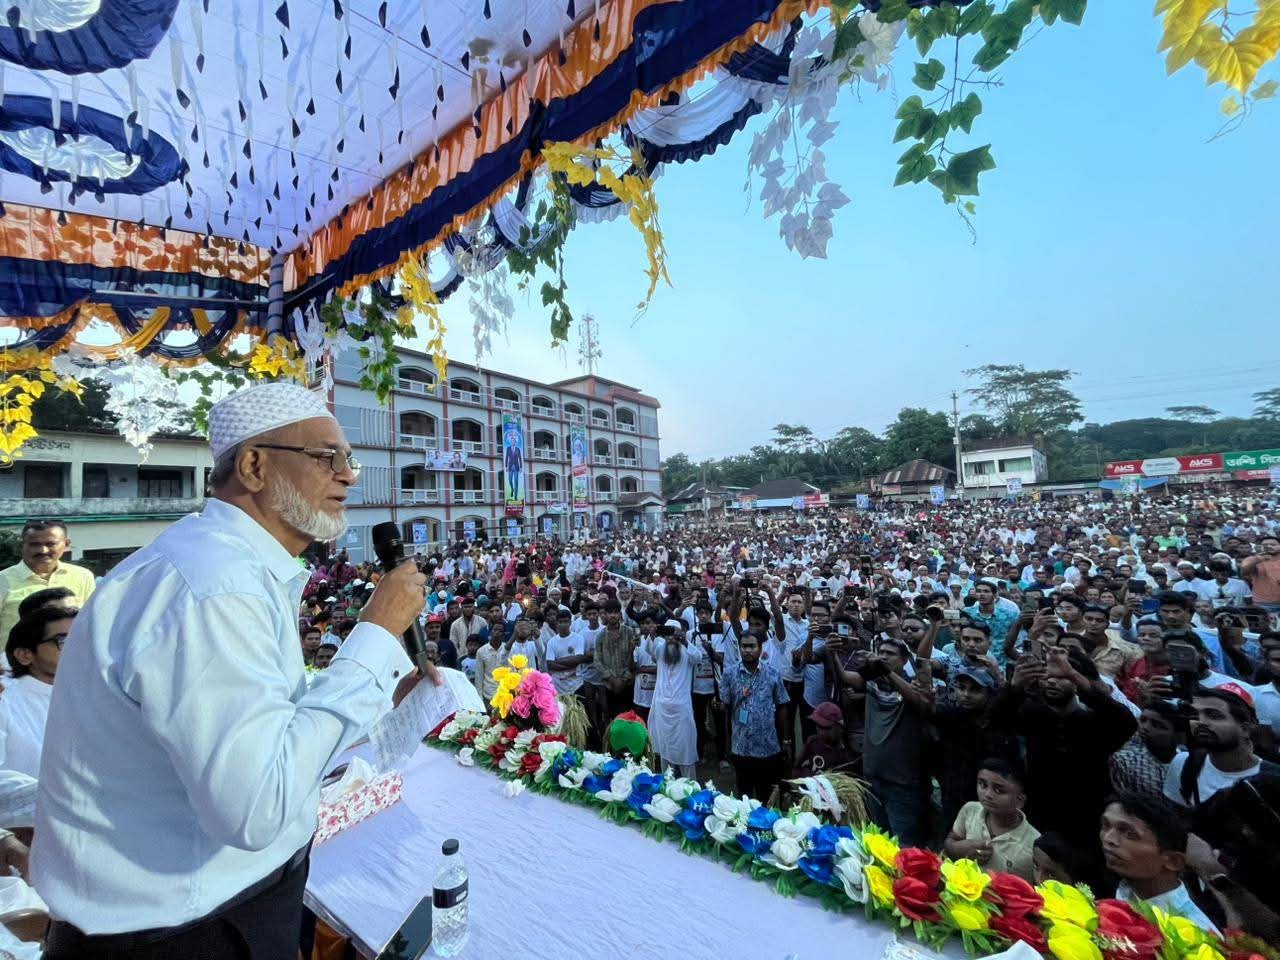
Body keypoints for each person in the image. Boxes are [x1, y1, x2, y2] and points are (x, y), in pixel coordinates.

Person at [31, 381, 433, 958]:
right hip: (181, 934)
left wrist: (376, 695)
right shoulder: (211, 588)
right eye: (327, 457)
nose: (348, 475)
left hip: (220, 910)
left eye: (350, 459)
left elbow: (263, 724)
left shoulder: (228, 568)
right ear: (252, 465)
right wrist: (374, 634)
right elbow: (256, 807)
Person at [990, 647, 1137, 843]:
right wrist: (1015, 686)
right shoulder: (1033, 714)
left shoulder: (1096, 722)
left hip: (1088, 816)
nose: (1051, 681)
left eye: (1061, 677)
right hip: (1040, 811)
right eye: (1048, 675)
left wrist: (1074, 675)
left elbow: (1127, 723)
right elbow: (994, 721)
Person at [1100, 793, 1220, 933]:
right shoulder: (1124, 886)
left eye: (1129, 834)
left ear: (1173, 861)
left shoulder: (1198, 934)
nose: (1108, 838)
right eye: (1106, 826)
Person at [1164, 685, 1270, 808]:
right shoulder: (1183, 763)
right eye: (1194, 715)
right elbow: (1175, 818)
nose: (1201, 722)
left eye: (1214, 716)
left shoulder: (1272, 778)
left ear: (1245, 729)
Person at [0, 604, 76, 777]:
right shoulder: (5, 701)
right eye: (63, 642)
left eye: (81, 639)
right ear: (25, 655)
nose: (78, 649)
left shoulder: (103, 695)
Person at [944, 758, 1041, 881]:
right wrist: (958, 849)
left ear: (1019, 801)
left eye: (999, 790)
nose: (988, 794)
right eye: (982, 785)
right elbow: (950, 841)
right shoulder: (970, 811)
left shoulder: (1033, 843)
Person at [719, 631, 789, 802]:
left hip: (768, 746)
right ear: (739, 648)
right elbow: (724, 707)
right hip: (741, 746)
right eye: (744, 646)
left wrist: (786, 740)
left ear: (760, 648)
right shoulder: (729, 674)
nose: (747, 650)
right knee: (744, 798)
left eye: (752, 646)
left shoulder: (772, 673)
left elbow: (782, 706)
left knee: (766, 797)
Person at [0, 521, 95, 644]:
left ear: (66, 544)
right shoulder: (3, 580)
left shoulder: (82, 576)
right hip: (17, 661)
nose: (43, 550)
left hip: (70, 659)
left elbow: (90, 621)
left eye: (51, 544)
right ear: (22, 545)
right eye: (34, 544)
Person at [646, 622, 702, 777]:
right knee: (664, 750)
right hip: (662, 709)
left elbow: (698, 657)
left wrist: (684, 641)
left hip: (681, 710)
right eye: (668, 634)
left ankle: (689, 787)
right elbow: (649, 649)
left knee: (685, 750)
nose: (671, 638)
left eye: (674, 634)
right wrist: (652, 634)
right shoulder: (660, 649)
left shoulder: (687, 651)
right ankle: (668, 788)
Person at [1110, 700, 1183, 804]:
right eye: (1143, 720)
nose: (1145, 728)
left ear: (1178, 735)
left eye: (1157, 725)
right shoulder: (1125, 761)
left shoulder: (1189, 760)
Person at [793, 701, 854, 776]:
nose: (821, 732)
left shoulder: (847, 754)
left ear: (840, 728)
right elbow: (796, 770)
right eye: (817, 726)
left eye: (825, 727)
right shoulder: (812, 742)